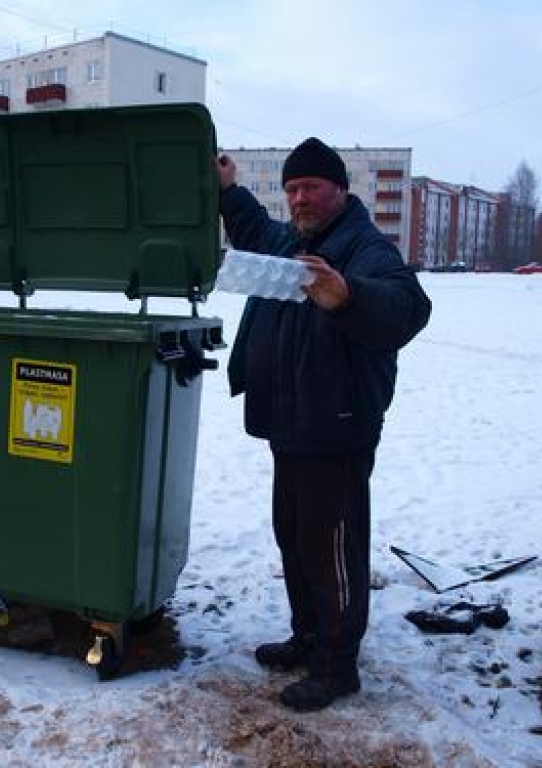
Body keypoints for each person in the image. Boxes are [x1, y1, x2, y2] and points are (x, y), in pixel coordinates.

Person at [217, 138, 431, 712]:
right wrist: (228, 189)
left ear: (339, 189)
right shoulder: (294, 240)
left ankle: (337, 667)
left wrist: (346, 294)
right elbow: (255, 233)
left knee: (332, 547)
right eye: (291, 188)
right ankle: (309, 636)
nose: (299, 197)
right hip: (290, 422)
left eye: (310, 186)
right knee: (295, 537)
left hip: (337, 428)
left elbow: (409, 307)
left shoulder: (363, 247)